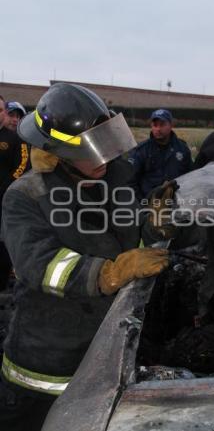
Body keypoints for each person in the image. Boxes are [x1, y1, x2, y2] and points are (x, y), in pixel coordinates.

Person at [0, 83, 169, 431]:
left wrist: (156, 227)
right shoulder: (25, 196)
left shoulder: (114, 180)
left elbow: (128, 239)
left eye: (107, 143)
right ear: (57, 150)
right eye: (93, 149)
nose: (104, 157)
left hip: (106, 347)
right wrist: (108, 273)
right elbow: (40, 265)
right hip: (46, 366)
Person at [128, 109, 192, 201]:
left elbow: (190, 177)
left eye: (162, 125)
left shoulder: (182, 149)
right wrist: (142, 204)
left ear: (170, 125)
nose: (158, 129)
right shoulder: (142, 150)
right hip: (148, 205)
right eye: (155, 125)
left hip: (177, 204)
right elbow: (130, 181)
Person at [0, 96, 29, 290]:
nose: (14, 119)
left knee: (3, 241)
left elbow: (22, 165)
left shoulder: (15, 140)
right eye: (11, 114)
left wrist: (9, 187)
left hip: (4, 200)